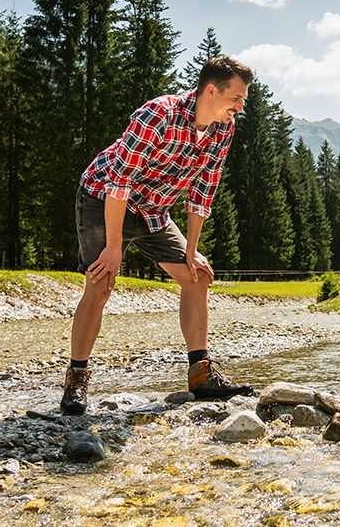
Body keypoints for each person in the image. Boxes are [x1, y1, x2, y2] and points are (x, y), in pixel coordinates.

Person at [61, 56, 256, 415]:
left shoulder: (222, 130)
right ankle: (76, 379)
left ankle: (200, 375)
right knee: (101, 283)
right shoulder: (158, 114)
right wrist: (114, 247)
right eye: (237, 99)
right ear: (212, 91)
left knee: (197, 277)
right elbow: (119, 182)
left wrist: (192, 251)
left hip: (153, 209)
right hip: (103, 197)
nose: (240, 107)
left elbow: (202, 194)